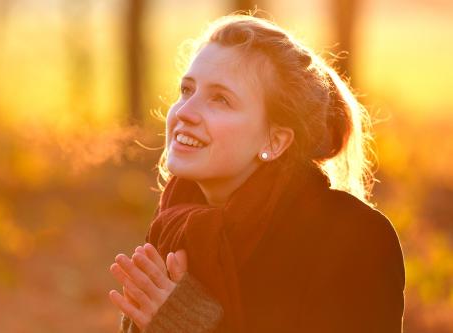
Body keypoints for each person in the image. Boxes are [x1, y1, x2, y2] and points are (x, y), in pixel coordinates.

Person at [108, 11, 405, 333]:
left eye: (220, 99)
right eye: (187, 90)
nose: (185, 112)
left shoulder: (353, 236)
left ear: (275, 140)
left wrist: (194, 323)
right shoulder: (177, 226)